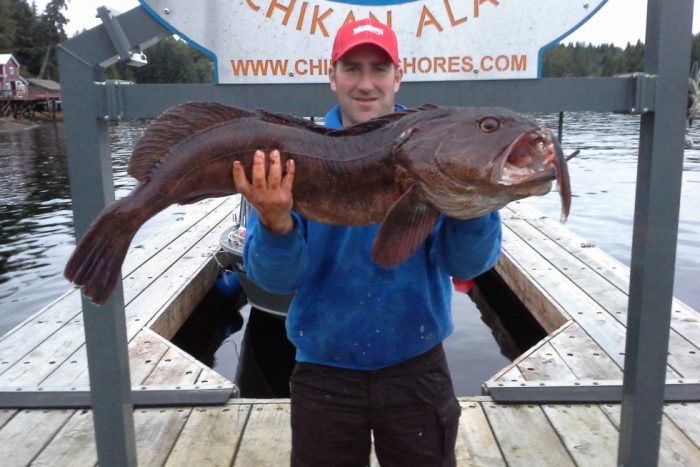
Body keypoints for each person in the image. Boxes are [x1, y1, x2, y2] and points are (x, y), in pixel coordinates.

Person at [232, 18, 502, 467]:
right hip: (324, 373)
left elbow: (465, 263)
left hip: (416, 369)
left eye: (378, 69)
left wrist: (474, 205)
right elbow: (276, 280)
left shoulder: (437, 150)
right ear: (332, 75)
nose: (365, 84)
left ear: (399, 76)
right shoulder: (296, 156)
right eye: (352, 68)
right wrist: (276, 223)